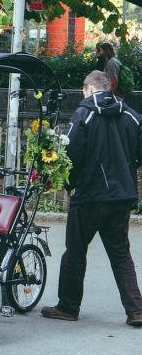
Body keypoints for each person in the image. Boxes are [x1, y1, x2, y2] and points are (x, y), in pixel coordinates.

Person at [41, 70, 142, 327]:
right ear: (107, 87)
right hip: (121, 195)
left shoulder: (83, 114)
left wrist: (70, 183)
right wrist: (129, 169)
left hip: (89, 196)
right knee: (120, 255)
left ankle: (68, 306)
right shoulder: (130, 115)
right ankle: (136, 310)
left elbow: (72, 152)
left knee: (75, 252)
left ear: (87, 88)